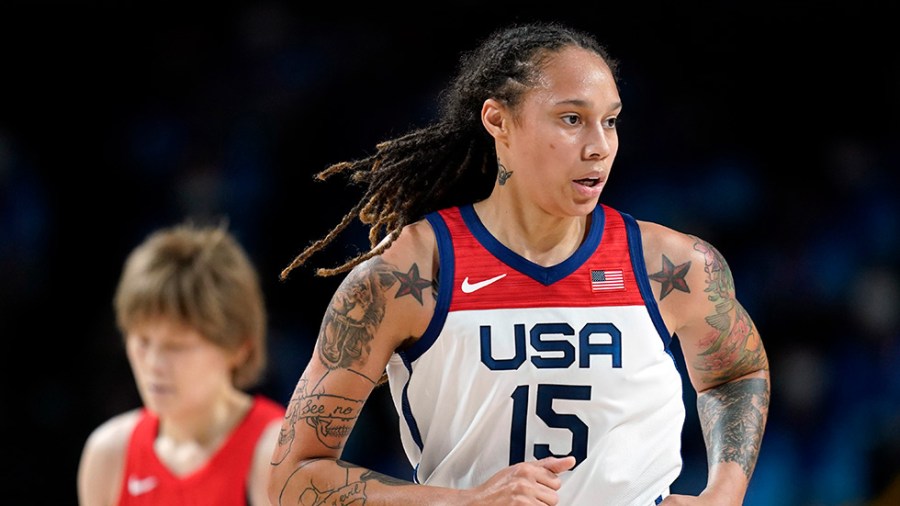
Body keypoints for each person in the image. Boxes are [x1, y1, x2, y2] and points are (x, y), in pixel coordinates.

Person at [269, 21, 770, 506]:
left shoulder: (673, 266)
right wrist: (462, 502)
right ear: (498, 120)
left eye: (610, 120)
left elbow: (738, 373)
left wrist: (724, 492)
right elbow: (293, 478)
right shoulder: (408, 277)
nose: (599, 146)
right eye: (572, 119)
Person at [77, 221, 285, 506]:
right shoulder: (109, 454)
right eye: (142, 341)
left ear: (238, 348)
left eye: (177, 347)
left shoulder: (275, 454)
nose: (153, 364)